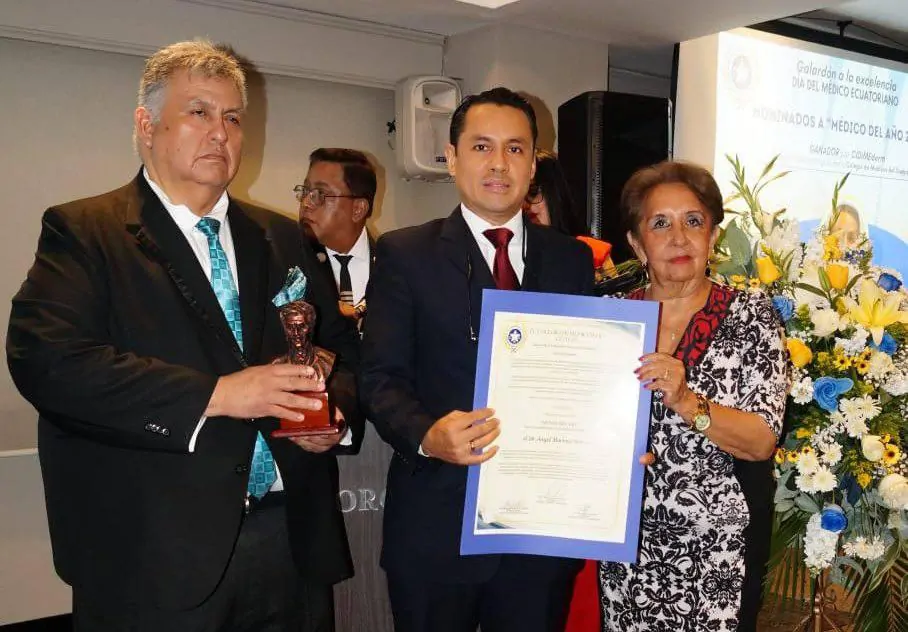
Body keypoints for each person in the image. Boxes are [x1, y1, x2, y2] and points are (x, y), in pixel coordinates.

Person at [6, 40, 363, 631]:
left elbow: (343, 354)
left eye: (233, 118)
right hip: (154, 554)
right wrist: (218, 395)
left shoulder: (282, 237)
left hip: (290, 542)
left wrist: (335, 416)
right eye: (199, 112)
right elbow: (48, 362)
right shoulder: (86, 232)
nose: (220, 132)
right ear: (147, 126)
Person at [359, 87, 595, 632]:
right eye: (482, 146)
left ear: (533, 164)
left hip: (538, 532)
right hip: (437, 526)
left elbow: (584, 381)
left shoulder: (571, 259)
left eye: (515, 149)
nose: (498, 164)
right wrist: (427, 435)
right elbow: (380, 379)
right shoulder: (405, 253)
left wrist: (612, 443)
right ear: (452, 157)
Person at [598, 161, 788, 632]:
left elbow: (761, 440)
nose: (679, 238)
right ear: (637, 243)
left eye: (693, 221)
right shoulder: (608, 318)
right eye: (660, 224)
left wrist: (687, 401)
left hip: (717, 548)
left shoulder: (750, 316)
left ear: (713, 236)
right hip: (625, 542)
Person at [298, 148, 377, 331]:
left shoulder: (392, 267)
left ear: (358, 209)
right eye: (305, 191)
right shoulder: (287, 261)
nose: (306, 203)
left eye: (320, 194)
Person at [524, 149, 617, 280]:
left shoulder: (593, 254)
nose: (525, 205)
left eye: (533, 192)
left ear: (555, 194)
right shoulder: (504, 256)